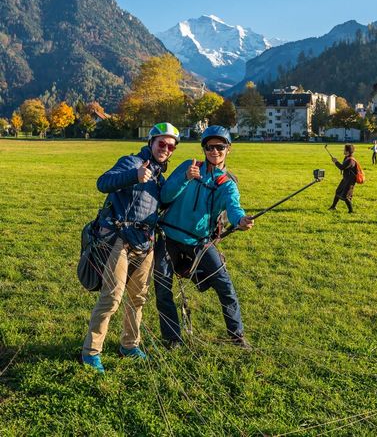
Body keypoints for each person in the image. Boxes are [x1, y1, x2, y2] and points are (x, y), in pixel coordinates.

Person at [81, 122, 180, 374]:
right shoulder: (131, 162)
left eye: (171, 146)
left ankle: (129, 345)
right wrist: (134, 177)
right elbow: (103, 182)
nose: (166, 149)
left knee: (138, 298)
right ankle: (91, 352)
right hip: (119, 239)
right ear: (151, 142)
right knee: (112, 297)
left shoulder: (160, 177)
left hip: (145, 243)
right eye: (162, 143)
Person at [154, 125, 254, 349]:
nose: (215, 151)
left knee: (225, 287)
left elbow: (234, 207)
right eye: (210, 147)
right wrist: (186, 178)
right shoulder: (189, 167)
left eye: (220, 147)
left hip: (201, 242)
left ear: (229, 149)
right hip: (169, 237)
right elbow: (165, 195)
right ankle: (172, 338)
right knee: (162, 288)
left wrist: (241, 221)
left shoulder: (227, 183)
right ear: (204, 148)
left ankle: (236, 336)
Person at [329, 144, 357, 213]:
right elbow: (343, 166)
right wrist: (336, 162)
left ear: (348, 151)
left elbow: (342, 167)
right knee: (338, 191)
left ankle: (351, 211)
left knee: (346, 196)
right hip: (345, 179)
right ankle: (333, 207)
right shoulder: (346, 158)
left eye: (344, 149)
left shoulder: (351, 160)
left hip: (350, 181)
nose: (343, 150)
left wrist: (336, 162)